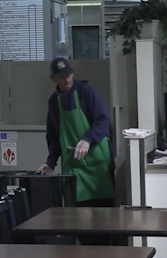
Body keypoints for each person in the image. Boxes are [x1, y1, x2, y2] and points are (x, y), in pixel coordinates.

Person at [38, 57, 115, 243]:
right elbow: (54, 135)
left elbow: (103, 121)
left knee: (103, 226)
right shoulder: (53, 102)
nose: (67, 80)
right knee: (81, 226)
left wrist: (87, 139)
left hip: (98, 169)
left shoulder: (86, 91)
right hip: (74, 170)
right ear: (53, 78)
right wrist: (50, 162)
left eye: (69, 75)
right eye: (62, 77)